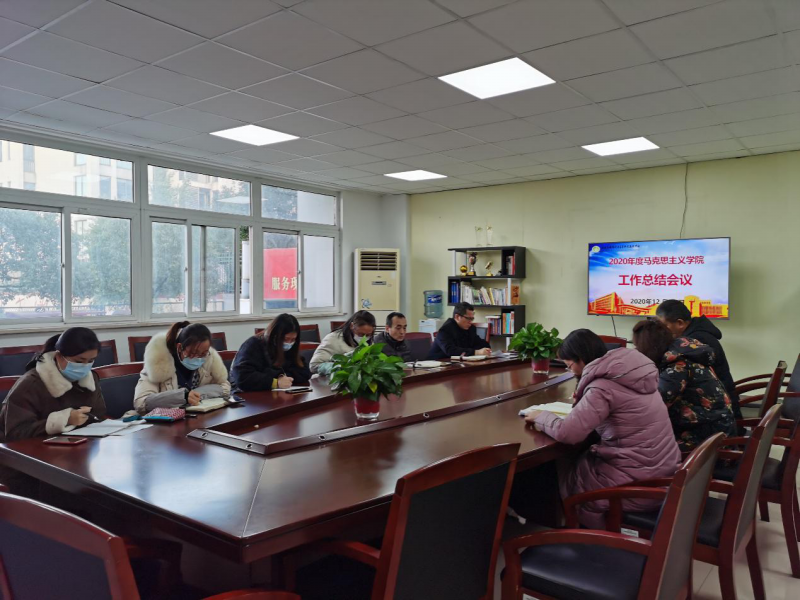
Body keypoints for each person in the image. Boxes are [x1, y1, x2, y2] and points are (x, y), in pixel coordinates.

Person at [524, 329, 681, 529]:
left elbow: (569, 433)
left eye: (569, 366)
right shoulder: (633, 373)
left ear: (581, 359)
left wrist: (541, 416)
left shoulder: (602, 387)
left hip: (636, 483)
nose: (570, 371)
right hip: (664, 473)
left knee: (564, 466)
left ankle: (585, 534)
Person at [632, 319, 735, 452]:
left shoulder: (678, 367)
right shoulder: (686, 355)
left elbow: (655, 405)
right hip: (718, 429)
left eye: (638, 347)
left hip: (707, 442)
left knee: (636, 447)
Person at [0, 327, 107, 443]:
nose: (85, 367)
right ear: (59, 356)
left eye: (91, 361)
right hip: (32, 449)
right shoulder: (31, 384)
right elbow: (15, 432)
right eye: (79, 362)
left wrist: (88, 416)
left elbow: (99, 414)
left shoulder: (90, 378)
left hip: (77, 445)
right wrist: (64, 420)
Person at [656, 299, 742, 419]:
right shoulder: (697, 335)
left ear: (680, 323)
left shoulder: (694, 344)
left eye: (665, 326)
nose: (662, 331)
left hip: (719, 413)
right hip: (718, 406)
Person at [133, 321, 230, 414]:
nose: (198, 358)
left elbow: (225, 387)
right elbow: (141, 403)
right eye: (193, 353)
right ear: (179, 347)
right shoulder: (157, 363)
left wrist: (197, 394)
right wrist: (182, 396)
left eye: (203, 353)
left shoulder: (209, 360)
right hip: (166, 422)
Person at [230, 314, 312, 391]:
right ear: (275, 335)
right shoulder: (253, 345)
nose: (289, 343)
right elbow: (242, 377)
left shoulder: (291, 347)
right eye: (285, 339)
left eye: (293, 339)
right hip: (246, 395)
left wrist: (283, 377)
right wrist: (275, 382)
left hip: (277, 393)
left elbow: (304, 372)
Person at [310, 311, 376, 374]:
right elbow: (314, 365)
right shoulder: (333, 339)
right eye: (361, 334)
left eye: (368, 335)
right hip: (332, 379)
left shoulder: (370, 341)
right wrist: (339, 367)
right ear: (352, 326)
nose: (364, 338)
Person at [427, 302, 491, 360]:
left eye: (472, 319)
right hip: (437, 364)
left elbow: (482, 344)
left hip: (458, 363)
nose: (470, 322)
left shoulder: (471, 328)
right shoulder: (445, 330)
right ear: (457, 317)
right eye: (468, 318)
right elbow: (450, 351)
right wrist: (476, 352)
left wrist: (486, 350)